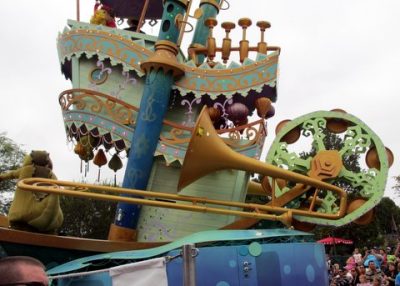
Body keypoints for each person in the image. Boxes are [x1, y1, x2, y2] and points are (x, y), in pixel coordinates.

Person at [0, 151, 63, 233]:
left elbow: (10, 174)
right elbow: (58, 188)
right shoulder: (52, 175)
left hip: (22, 216)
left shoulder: (25, 170)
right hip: (49, 221)